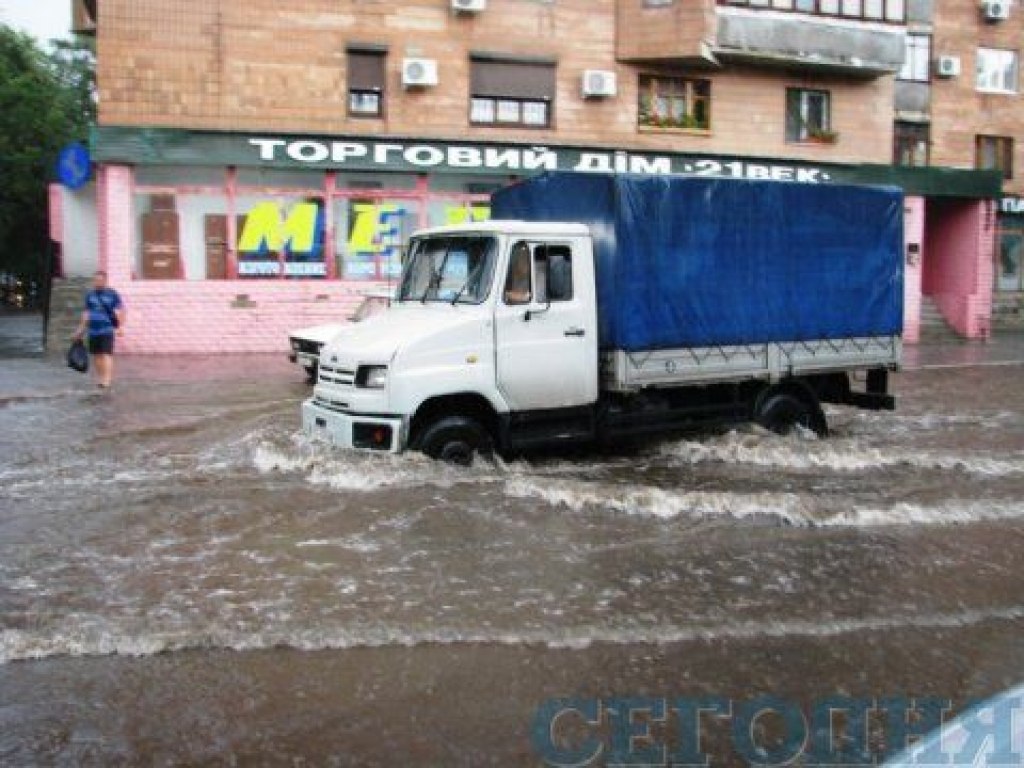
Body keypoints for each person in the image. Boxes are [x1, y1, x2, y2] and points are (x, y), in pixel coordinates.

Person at [73, 270, 125, 389]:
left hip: (107, 329)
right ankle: (101, 377)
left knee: (106, 354)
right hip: (93, 330)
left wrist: (120, 327)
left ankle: (107, 379)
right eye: (96, 280)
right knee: (96, 355)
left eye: (100, 280)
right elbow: (86, 313)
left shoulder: (112, 294)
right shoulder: (90, 295)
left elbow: (119, 311)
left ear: (105, 280)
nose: (97, 282)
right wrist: (80, 329)